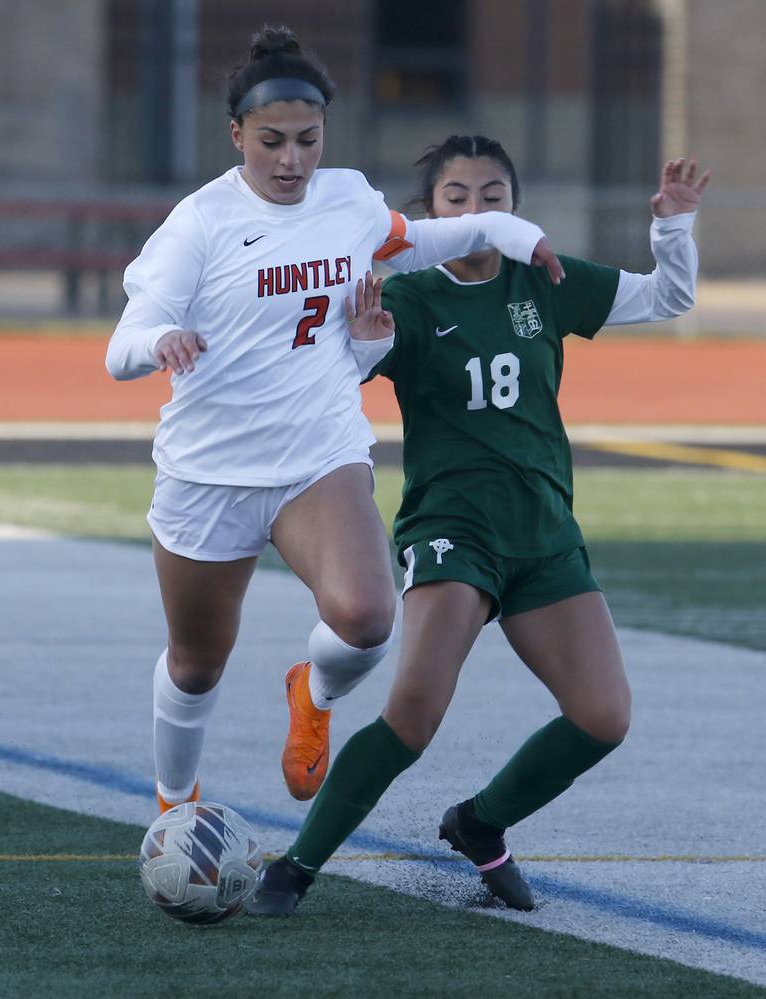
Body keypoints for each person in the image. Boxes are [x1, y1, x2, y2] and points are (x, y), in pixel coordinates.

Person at [248, 136, 711, 916]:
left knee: (604, 716)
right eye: (455, 198)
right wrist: (364, 348)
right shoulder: (409, 295)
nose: (474, 211)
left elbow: (667, 299)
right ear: (428, 216)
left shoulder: (543, 279)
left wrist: (673, 228)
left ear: (512, 208)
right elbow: (340, 371)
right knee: (414, 717)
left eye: (492, 196)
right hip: (453, 531)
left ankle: (479, 821)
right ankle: (293, 869)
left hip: (544, 533)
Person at [106, 33, 564, 818]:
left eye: (308, 141)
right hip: (210, 469)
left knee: (364, 619)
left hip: (318, 452)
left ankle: (311, 693)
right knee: (195, 663)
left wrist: (514, 233)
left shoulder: (347, 197)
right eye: (272, 141)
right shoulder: (200, 224)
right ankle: (175, 802)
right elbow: (121, 349)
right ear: (236, 135)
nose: (291, 160)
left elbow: (421, 240)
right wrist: (160, 341)